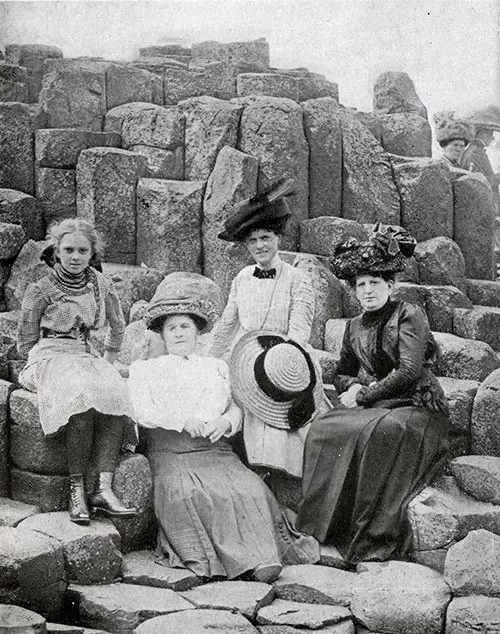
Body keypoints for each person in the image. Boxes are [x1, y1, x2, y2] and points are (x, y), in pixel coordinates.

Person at [128, 273, 319, 582]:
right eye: (172, 328)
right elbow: (142, 411)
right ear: (162, 334)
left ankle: (263, 560)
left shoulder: (215, 367)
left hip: (216, 450)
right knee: (186, 494)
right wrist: (181, 421)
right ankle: (220, 561)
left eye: (185, 327)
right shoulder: (145, 370)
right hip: (173, 452)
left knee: (250, 488)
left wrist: (226, 421)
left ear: (197, 332)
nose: (178, 333)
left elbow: (235, 406)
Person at [295, 224, 450, 566]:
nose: (367, 291)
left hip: (418, 407)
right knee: (325, 427)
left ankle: (368, 537)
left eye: (375, 283)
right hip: (380, 402)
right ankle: (321, 530)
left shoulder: (409, 314)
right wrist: (351, 388)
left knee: (382, 433)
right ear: (353, 290)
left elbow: (409, 371)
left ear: (391, 285)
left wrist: (363, 395)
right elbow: (341, 372)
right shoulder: (352, 326)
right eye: (360, 285)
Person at [17, 218, 136, 525]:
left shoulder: (99, 284)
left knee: (115, 394)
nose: (75, 256)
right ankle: (77, 489)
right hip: (48, 356)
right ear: (56, 251)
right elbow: (25, 340)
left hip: (85, 355)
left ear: (91, 252)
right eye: (68, 249)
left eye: (82, 250)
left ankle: (104, 490)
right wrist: (41, 363)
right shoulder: (40, 289)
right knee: (81, 399)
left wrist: (108, 358)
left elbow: (118, 325)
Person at [210, 178, 326, 479]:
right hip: (245, 354)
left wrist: (273, 366)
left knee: (272, 402)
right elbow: (227, 324)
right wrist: (209, 359)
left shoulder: (297, 278)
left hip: (285, 359)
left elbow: (299, 331)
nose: (260, 246)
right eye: (253, 241)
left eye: (266, 238)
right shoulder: (242, 278)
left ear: (278, 238)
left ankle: (273, 470)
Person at [459, 105, 500, 211]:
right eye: (490, 133)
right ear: (482, 133)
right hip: (481, 208)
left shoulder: (476, 150)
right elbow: (477, 182)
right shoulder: (475, 153)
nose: (492, 137)